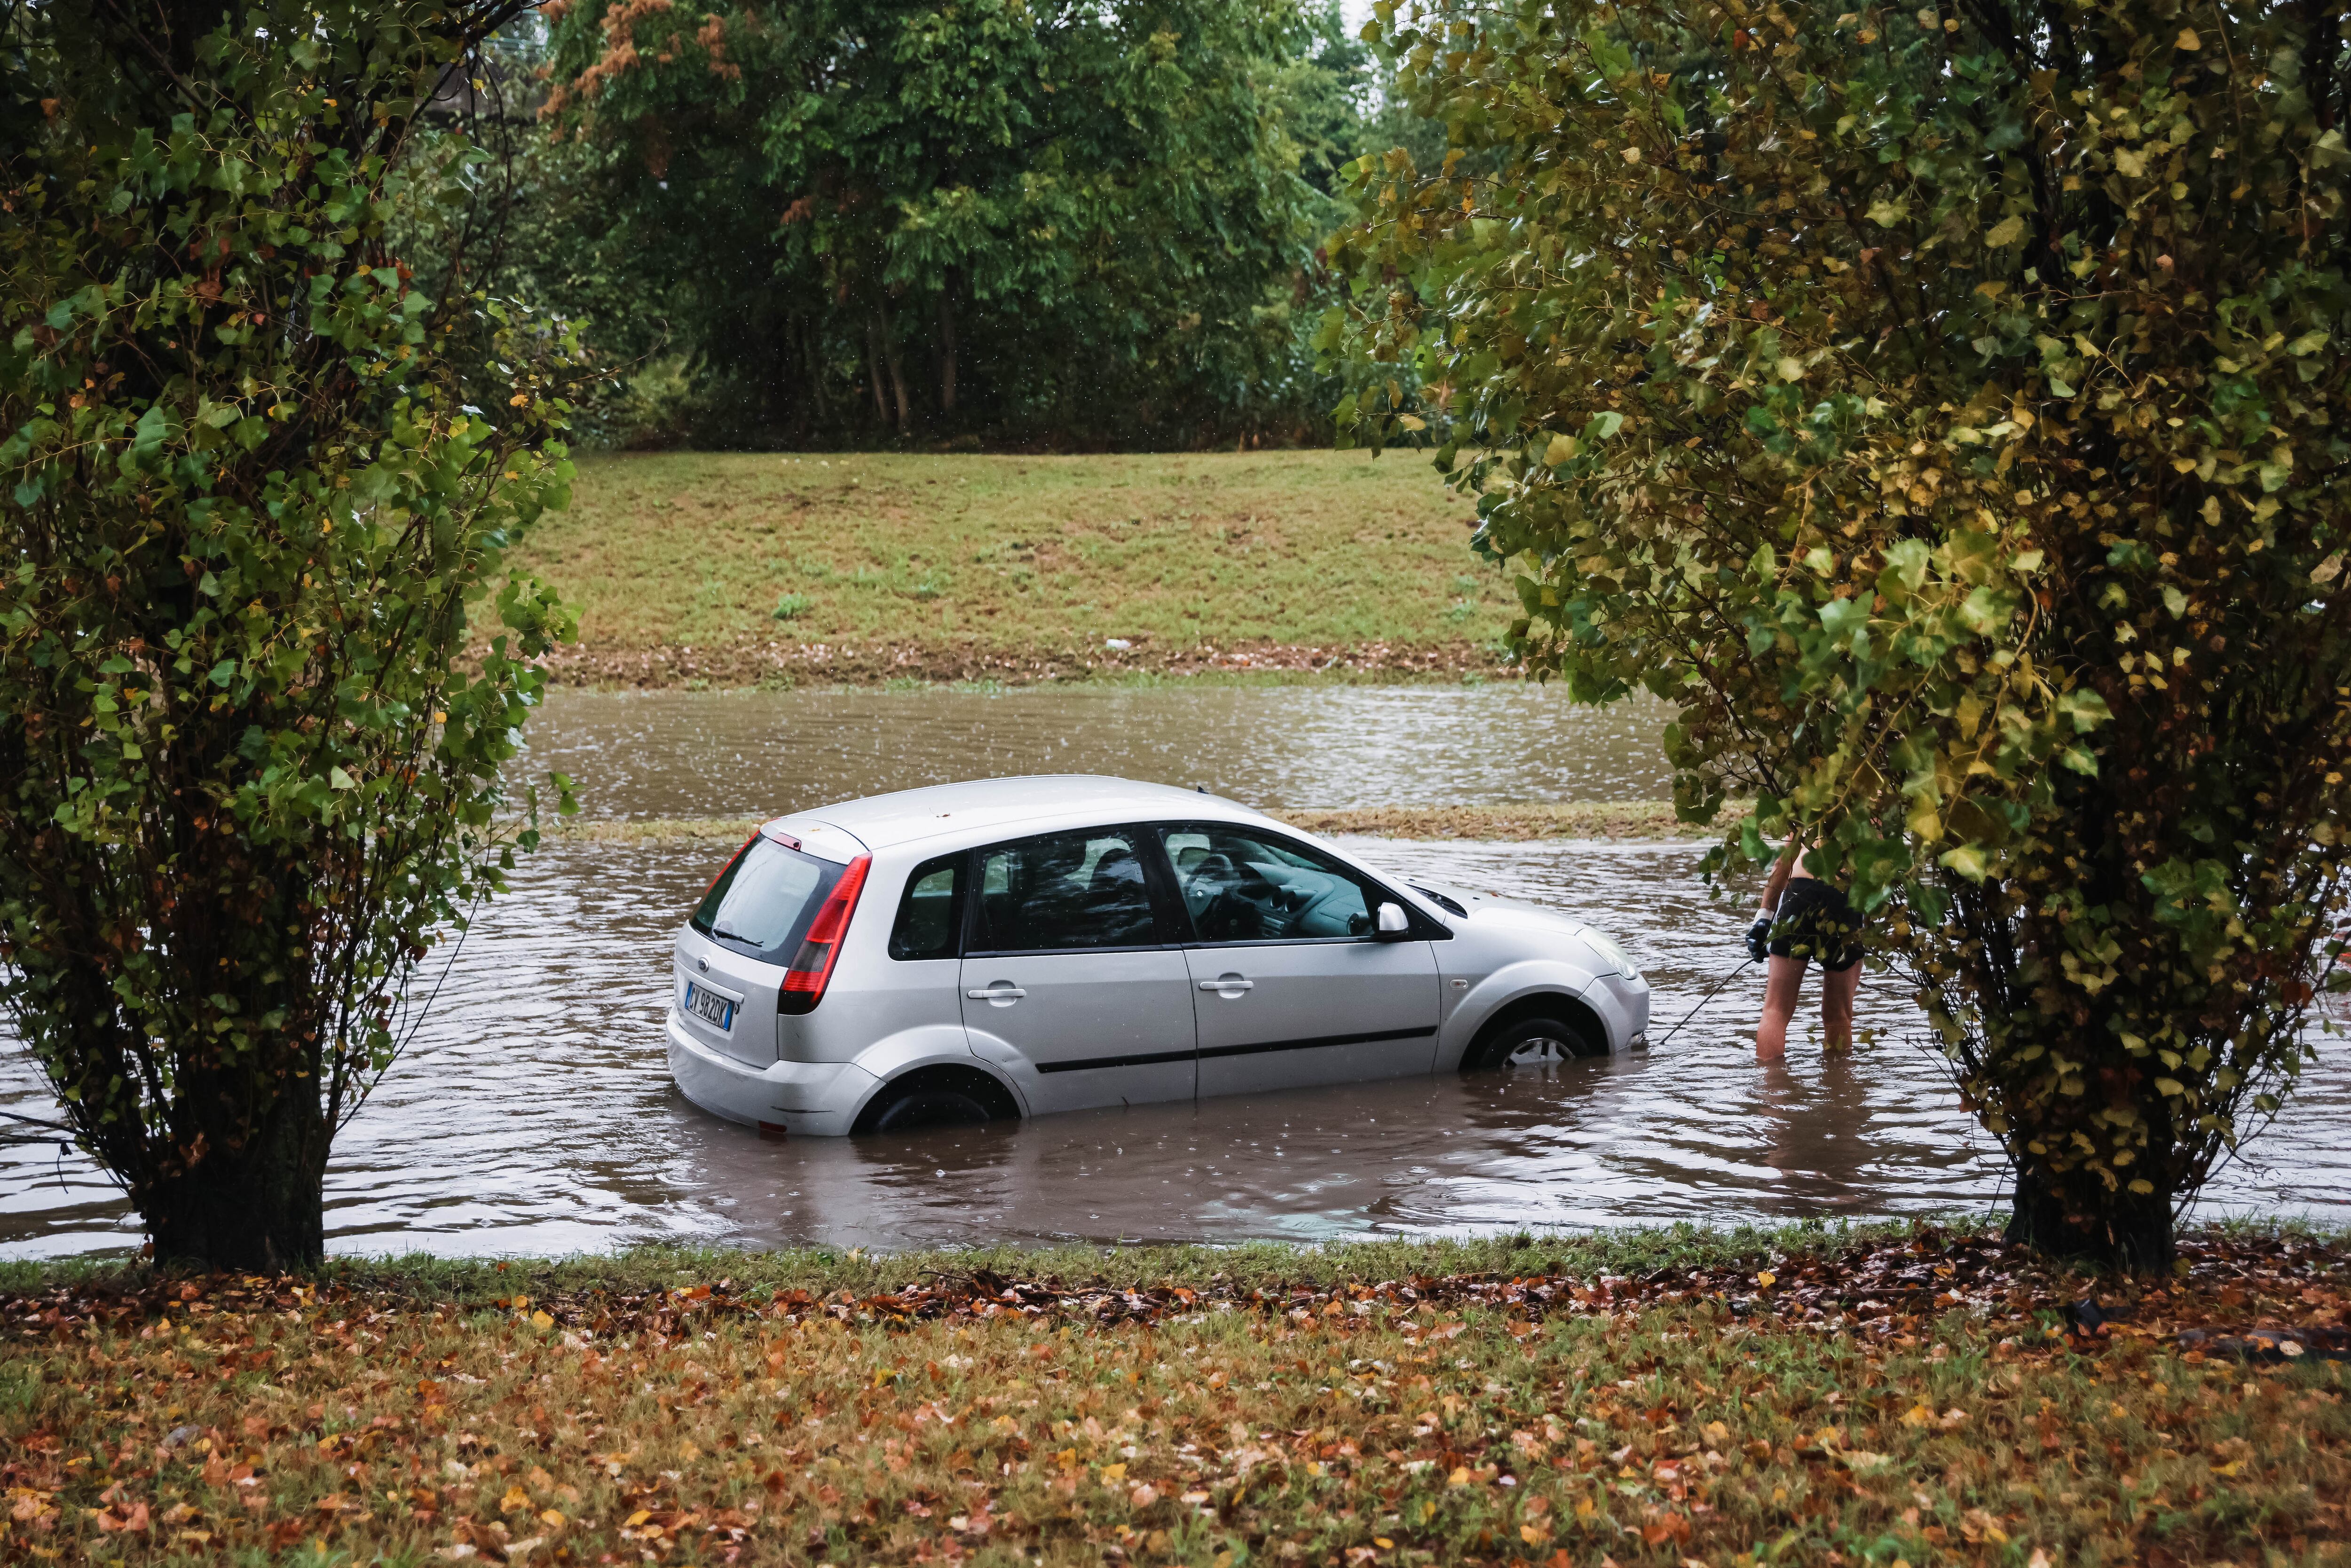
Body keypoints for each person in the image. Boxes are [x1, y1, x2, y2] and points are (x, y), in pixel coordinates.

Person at [1744, 834, 1862, 1062]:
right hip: (1843, 893)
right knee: (1839, 1014)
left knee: (1776, 1010)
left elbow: (1783, 863)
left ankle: (1771, 1091)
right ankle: (1839, 1091)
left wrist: (1764, 918)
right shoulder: (1875, 799)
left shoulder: (1807, 800)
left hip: (1800, 890)